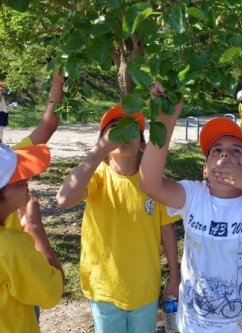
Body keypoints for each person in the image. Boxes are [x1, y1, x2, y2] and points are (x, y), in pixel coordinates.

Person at [140, 95, 242, 332]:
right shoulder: (193, 195)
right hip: (194, 326)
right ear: (205, 170)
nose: (225, 155)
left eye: (236, 150)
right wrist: (165, 120)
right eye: (216, 150)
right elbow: (149, 184)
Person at [56, 105, 180, 333]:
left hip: (145, 288)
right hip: (104, 288)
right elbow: (64, 199)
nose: (121, 133)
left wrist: (174, 275)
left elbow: (167, 230)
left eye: (130, 128)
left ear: (143, 145)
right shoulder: (96, 178)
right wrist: (97, 153)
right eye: (114, 128)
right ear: (102, 142)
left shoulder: (152, 183)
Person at [4, 70, 65, 277]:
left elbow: (48, 125)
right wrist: (33, 224)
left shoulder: (9, 159)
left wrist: (58, 82)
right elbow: (55, 285)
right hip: (20, 270)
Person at [0, 143, 64, 333]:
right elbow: (52, 292)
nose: (27, 179)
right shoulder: (10, 247)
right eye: (18, 178)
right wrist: (34, 225)